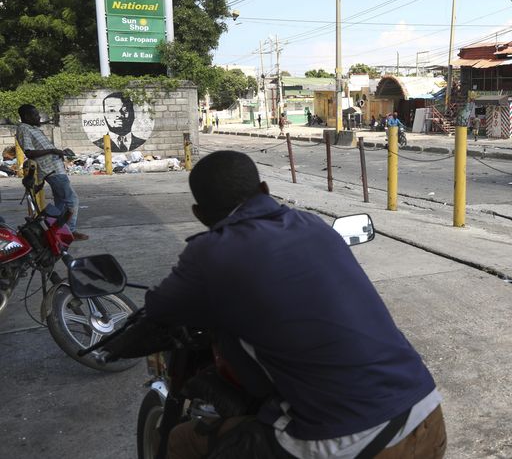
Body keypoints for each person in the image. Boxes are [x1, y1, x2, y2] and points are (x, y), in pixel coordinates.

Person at [144, 151, 446, 459]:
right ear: (264, 190)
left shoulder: (209, 253)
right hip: (426, 413)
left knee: (184, 440)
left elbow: (157, 309)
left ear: (199, 213)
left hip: (349, 443)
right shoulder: (312, 224)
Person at [16, 104, 88, 241]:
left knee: (61, 202)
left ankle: (58, 231)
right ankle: (69, 231)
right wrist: (53, 151)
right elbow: (29, 152)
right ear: (26, 117)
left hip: (55, 167)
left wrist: (58, 152)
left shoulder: (34, 128)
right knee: (71, 200)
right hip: (50, 170)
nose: (39, 117)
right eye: (35, 115)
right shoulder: (24, 129)